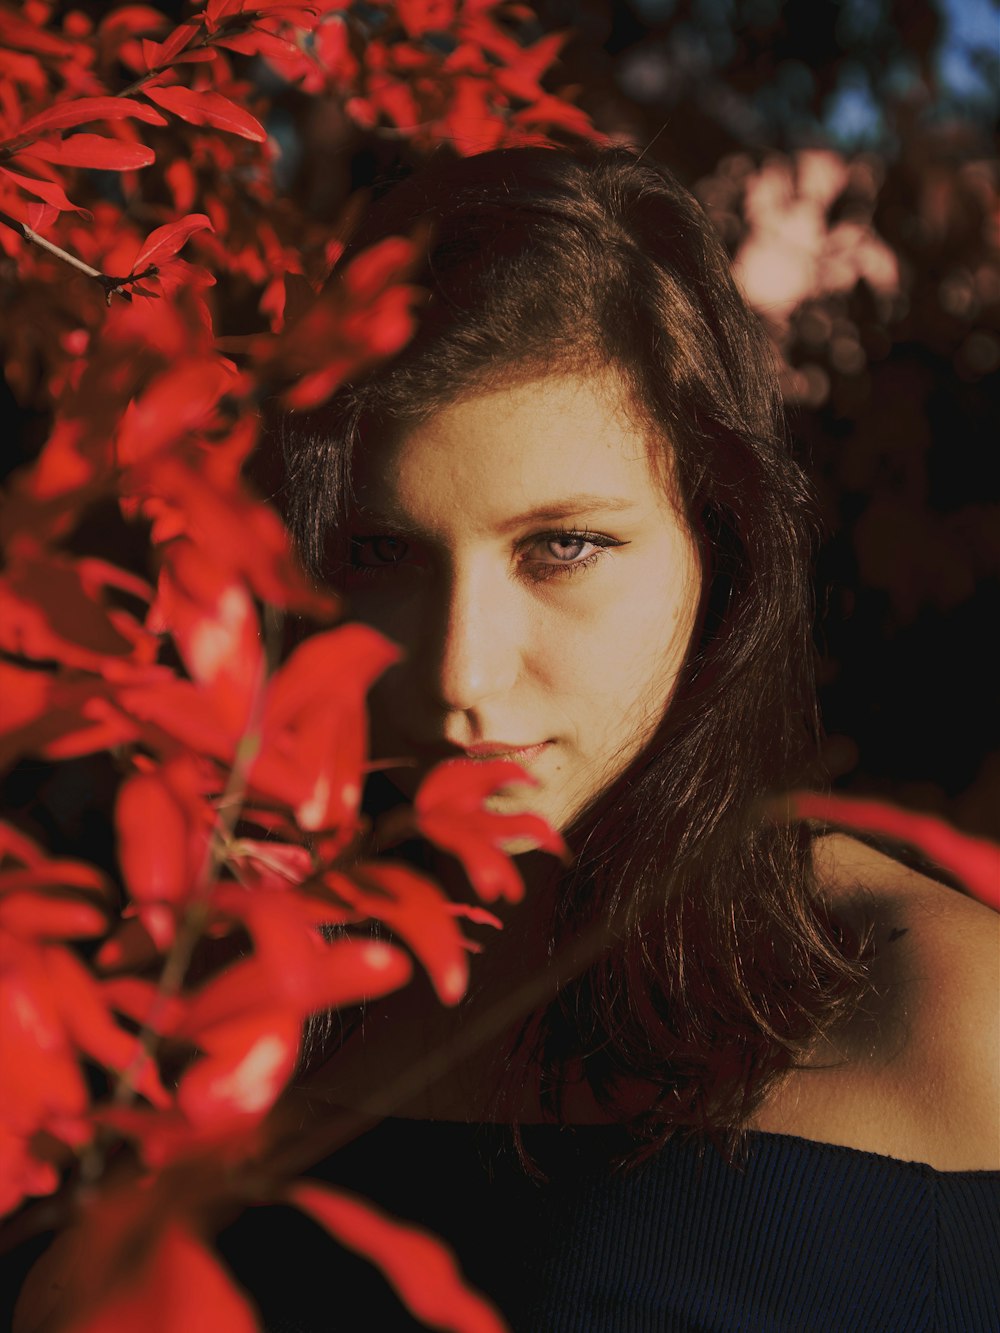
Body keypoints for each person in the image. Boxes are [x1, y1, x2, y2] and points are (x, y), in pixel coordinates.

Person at [221, 144, 1000, 1331]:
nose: (458, 673)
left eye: (563, 547)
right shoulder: (223, 993)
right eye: (385, 554)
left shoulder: (938, 1006)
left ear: (723, 551)